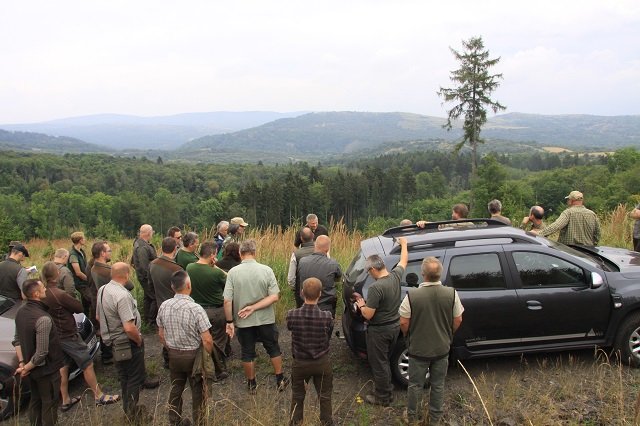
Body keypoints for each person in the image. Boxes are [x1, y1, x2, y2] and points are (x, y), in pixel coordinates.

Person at [40, 262, 120, 410]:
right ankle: (99, 395)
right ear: (56, 274)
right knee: (87, 364)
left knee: (63, 367)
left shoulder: (42, 294)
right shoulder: (59, 293)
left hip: (56, 336)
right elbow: (78, 307)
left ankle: (65, 399)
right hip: (68, 334)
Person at [399, 257, 464, 424]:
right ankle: (435, 418)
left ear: (423, 274)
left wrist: (408, 335)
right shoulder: (452, 293)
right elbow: (458, 319)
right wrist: (448, 334)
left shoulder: (412, 296)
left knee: (415, 385)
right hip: (441, 348)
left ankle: (413, 417)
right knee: (438, 385)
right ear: (440, 274)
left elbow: (404, 321)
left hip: (418, 349)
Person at [223, 239, 288, 393]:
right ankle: (280, 379)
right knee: (273, 348)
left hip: (243, 321)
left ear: (240, 253)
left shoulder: (233, 272)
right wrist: (255, 307)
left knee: (247, 352)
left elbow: (227, 300)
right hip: (266, 319)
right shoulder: (266, 270)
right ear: (255, 252)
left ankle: (251, 384)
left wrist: (230, 321)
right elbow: (274, 296)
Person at [355, 237, 408, 406]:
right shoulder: (395, 276)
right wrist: (404, 244)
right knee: (385, 360)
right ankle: (384, 388)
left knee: (379, 363)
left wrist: (362, 305)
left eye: (368, 271)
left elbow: (368, 315)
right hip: (394, 327)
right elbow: (403, 261)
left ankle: (383, 397)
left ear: (372, 269)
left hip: (379, 331)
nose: (369, 274)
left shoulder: (375, 288)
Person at [157, 270, 213, 426]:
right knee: (198, 393)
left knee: (176, 389)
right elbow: (207, 339)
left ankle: (174, 420)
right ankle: (200, 422)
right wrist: (206, 356)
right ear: (188, 285)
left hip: (174, 355)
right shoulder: (196, 309)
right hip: (193, 357)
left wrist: (171, 348)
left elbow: (161, 335)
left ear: (172, 286)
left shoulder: (164, 306)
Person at [96, 262, 150, 423]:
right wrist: (138, 339)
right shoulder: (122, 295)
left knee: (124, 377)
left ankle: (128, 409)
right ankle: (132, 415)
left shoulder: (103, 289)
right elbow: (128, 327)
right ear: (126, 275)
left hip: (113, 342)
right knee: (134, 378)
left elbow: (99, 317)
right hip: (127, 343)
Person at [13, 279, 65, 426]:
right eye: (43, 288)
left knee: (35, 401)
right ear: (36, 294)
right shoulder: (43, 318)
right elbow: (42, 352)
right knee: (49, 403)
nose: (45, 290)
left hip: (31, 370)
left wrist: (23, 363)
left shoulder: (20, 312)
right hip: (46, 371)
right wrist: (26, 367)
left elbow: (17, 340)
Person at [286, 278, 334, 426]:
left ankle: (295, 422)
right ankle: (326, 422)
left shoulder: (292, 314)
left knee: (298, 396)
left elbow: (289, 328)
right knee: (325, 396)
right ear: (320, 294)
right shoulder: (326, 316)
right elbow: (329, 333)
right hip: (321, 362)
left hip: (300, 363)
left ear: (301, 293)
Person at [186, 242, 230, 380]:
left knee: (203, 340)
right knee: (219, 341)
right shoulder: (216, 272)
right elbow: (229, 279)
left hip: (198, 310)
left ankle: (203, 368)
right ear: (212, 255)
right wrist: (215, 265)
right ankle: (219, 369)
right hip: (216, 310)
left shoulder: (190, 267)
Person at [150, 237, 182, 368]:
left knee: (165, 333)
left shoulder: (153, 263)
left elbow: (150, 285)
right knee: (176, 334)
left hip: (160, 303)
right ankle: (175, 359)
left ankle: (167, 359)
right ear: (175, 248)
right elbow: (182, 288)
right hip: (175, 306)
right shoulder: (176, 268)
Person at [296, 235, 342, 318]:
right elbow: (338, 279)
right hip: (326, 307)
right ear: (327, 249)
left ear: (315, 245)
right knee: (326, 329)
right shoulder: (333, 263)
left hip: (306, 304)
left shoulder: (302, 261)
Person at [535, 190, 601, 246]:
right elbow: (597, 234)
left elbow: (556, 226)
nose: (567, 201)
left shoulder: (568, 212)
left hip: (570, 252)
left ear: (571, 200)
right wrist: (592, 246)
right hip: (588, 252)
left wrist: (539, 234)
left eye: (568, 199)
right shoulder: (592, 214)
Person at [132, 224, 158, 326]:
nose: (152, 234)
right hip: (146, 277)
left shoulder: (141, 243)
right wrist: (150, 278)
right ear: (148, 233)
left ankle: (147, 320)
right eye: (152, 232)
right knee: (154, 297)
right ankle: (151, 322)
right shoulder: (142, 246)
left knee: (147, 297)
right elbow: (144, 266)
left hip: (145, 277)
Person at [286, 227, 315, 308]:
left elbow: (291, 279)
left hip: (301, 293)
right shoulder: (323, 252)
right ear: (313, 236)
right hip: (320, 293)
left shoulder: (296, 254)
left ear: (301, 238)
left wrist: (295, 289)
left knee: (302, 316)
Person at [68, 232, 92, 318]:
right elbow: (78, 273)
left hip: (84, 282)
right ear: (80, 240)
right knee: (91, 300)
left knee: (87, 304)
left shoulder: (81, 251)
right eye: (84, 238)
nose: (85, 240)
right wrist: (89, 279)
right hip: (80, 284)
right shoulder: (73, 255)